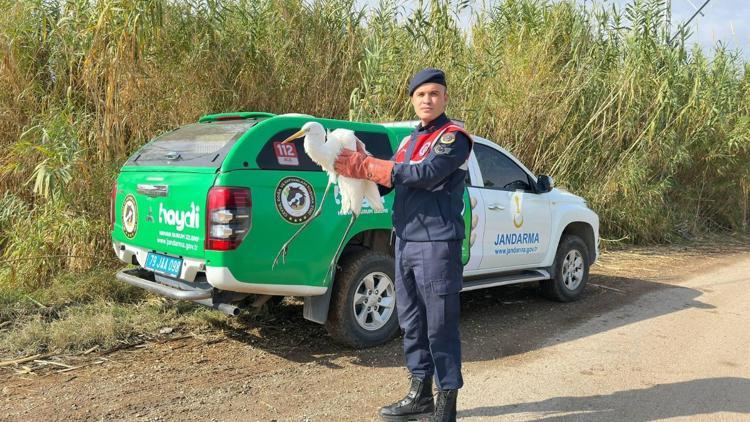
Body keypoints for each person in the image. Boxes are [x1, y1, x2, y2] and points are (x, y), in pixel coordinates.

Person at [334, 68, 472, 422]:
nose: (427, 99)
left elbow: (426, 175)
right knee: (411, 321)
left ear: (444, 98)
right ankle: (419, 395)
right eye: (421, 94)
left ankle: (446, 404)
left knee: (440, 324)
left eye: (434, 93)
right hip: (406, 241)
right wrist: (354, 167)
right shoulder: (407, 142)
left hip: (437, 244)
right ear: (411, 99)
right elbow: (385, 185)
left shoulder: (453, 137)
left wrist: (371, 165)